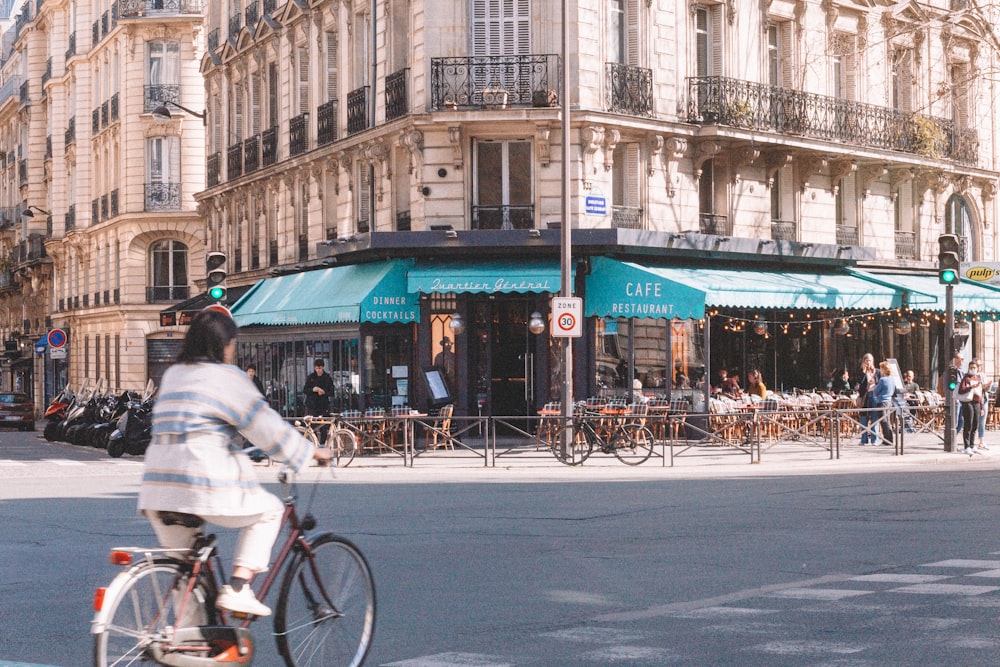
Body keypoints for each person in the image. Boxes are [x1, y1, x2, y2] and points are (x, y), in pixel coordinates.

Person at [138, 307, 332, 618]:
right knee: (270, 511)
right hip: (200, 481)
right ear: (223, 344)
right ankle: (240, 588)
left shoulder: (173, 373)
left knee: (187, 573)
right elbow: (264, 427)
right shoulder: (226, 376)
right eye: (232, 343)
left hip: (158, 488)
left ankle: (187, 646)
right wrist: (309, 452)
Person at [957, 359, 987, 456]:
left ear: (977, 369)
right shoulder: (966, 378)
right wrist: (971, 387)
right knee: (968, 424)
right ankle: (967, 446)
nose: (973, 369)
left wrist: (982, 407)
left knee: (975, 425)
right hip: (968, 402)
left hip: (977, 403)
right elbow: (961, 390)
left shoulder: (978, 378)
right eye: (971, 368)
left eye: (974, 368)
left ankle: (972, 445)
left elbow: (980, 394)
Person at [857, 353, 880, 445]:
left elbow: (881, 383)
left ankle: (875, 440)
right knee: (864, 418)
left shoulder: (878, 372)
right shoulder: (861, 372)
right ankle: (864, 439)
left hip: (875, 396)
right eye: (866, 360)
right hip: (865, 396)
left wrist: (875, 381)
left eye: (869, 360)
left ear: (872, 361)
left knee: (875, 418)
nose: (868, 362)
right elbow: (859, 384)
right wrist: (863, 372)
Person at [872, 361, 895, 446]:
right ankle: (890, 439)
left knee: (883, 421)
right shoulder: (892, 379)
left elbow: (876, 390)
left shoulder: (883, 380)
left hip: (882, 401)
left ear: (883, 370)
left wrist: (875, 393)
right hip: (889, 401)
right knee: (887, 421)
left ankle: (886, 440)